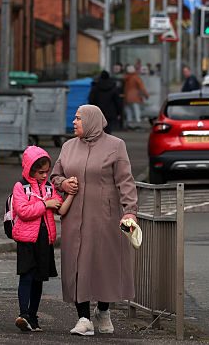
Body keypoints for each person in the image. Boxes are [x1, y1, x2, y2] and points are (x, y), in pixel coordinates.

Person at [51, 104, 139, 336]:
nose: (74, 122)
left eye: (78, 118)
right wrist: (63, 184)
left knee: (103, 265)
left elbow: (125, 180)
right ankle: (83, 318)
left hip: (104, 218)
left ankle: (103, 311)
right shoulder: (68, 146)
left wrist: (130, 210)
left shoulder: (116, 146)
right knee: (77, 265)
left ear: (91, 120)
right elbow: (54, 175)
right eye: (75, 118)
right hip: (74, 219)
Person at [11, 145, 75, 332]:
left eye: (46, 172)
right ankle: (23, 314)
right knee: (26, 276)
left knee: (39, 279)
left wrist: (70, 194)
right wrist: (45, 204)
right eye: (40, 172)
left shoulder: (48, 188)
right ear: (29, 169)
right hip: (26, 239)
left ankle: (33, 315)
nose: (44, 176)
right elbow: (23, 212)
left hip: (44, 240)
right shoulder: (20, 187)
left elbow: (61, 209)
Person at [122, 65, 149, 130]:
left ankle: (129, 124)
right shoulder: (136, 77)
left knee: (128, 111)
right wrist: (146, 95)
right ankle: (138, 123)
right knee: (136, 110)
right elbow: (141, 87)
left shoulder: (125, 78)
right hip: (135, 97)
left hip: (127, 97)